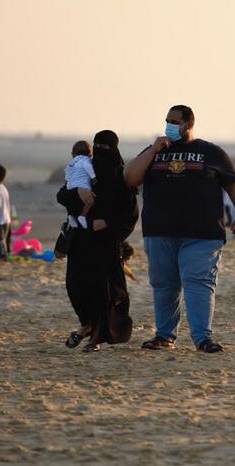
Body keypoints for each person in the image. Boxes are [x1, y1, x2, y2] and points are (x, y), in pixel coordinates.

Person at [123, 105, 235, 353]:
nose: (169, 125)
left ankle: (203, 338)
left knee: (198, 284)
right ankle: (164, 336)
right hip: (159, 231)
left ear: (189, 124)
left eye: (174, 121)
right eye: (167, 121)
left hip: (202, 234)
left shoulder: (210, 152)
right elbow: (130, 178)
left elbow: (233, 183)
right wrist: (153, 150)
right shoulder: (155, 150)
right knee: (164, 285)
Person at [58, 130, 139, 352]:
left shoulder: (121, 177)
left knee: (105, 291)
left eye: (105, 148)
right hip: (80, 242)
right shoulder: (84, 170)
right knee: (76, 287)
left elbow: (130, 214)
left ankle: (96, 338)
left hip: (106, 245)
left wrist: (108, 223)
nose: (100, 152)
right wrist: (79, 193)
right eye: (97, 147)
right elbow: (62, 195)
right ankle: (87, 325)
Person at [64, 140, 97, 229]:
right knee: (90, 200)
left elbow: (68, 173)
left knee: (70, 202)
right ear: (90, 154)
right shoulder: (86, 160)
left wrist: (68, 183)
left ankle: (71, 215)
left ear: (73, 154)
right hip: (83, 186)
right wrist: (94, 178)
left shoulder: (72, 163)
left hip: (70, 185)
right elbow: (88, 168)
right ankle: (82, 216)